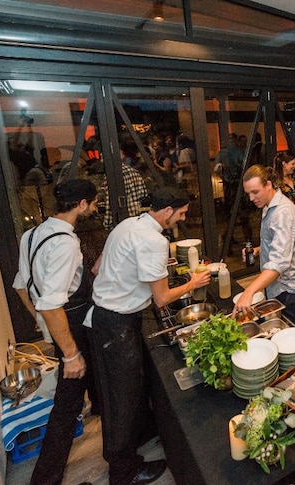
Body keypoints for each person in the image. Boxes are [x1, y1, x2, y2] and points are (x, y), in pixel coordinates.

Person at [89, 186, 211, 485]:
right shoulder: (154, 240)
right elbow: (162, 298)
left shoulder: (127, 224)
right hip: (117, 323)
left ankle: (139, 436)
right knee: (121, 398)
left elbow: (96, 268)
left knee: (126, 389)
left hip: (104, 316)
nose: (181, 219)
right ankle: (123, 471)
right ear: (167, 211)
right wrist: (194, 282)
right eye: (181, 213)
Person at [12, 179, 99, 485]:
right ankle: (45, 480)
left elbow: (22, 285)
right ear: (82, 205)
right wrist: (71, 353)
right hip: (72, 327)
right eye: (93, 203)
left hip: (60, 325)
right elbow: (52, 304)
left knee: (92, 389)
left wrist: (42, 323)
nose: (94, 207)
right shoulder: (65, 243)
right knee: (67, 406)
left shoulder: (31, 235)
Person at [235, 165, 295, 326]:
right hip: (276, 285)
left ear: (268, 185)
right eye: (248, 193)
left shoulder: (282, 213)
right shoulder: (268, 205)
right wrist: (260, 250)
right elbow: (281, 243)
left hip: (288, 288)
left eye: (255, 192)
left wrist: (249, 291)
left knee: (290, 338)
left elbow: (279, 263)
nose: (251, 198)